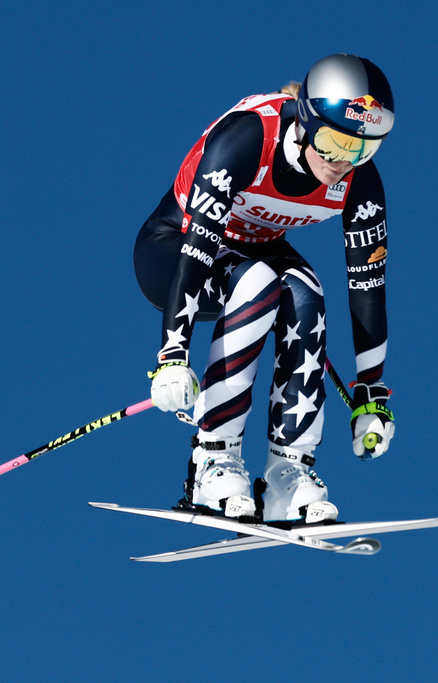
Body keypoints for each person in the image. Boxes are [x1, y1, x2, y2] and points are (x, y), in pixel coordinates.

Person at [133, 53, 396, 524]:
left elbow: (368, 287)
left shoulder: (360, 182)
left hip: (254, 250)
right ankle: (213, 458)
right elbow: (197, 254)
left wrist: (371, 397)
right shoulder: (248, 139)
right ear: (306, 121)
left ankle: (286, 473)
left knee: (306, 291)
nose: (345, 162)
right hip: (173, 250)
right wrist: (172, 357)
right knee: (258, 281)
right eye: (336, 142)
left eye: (365, 148)